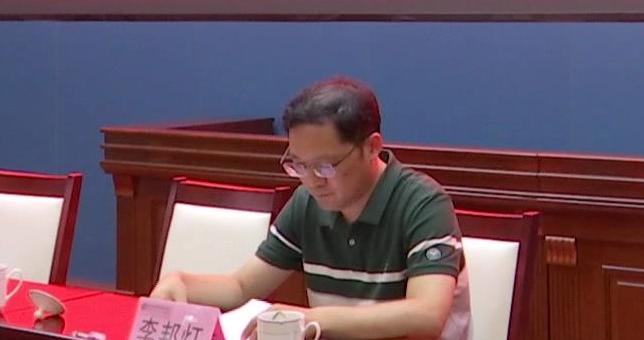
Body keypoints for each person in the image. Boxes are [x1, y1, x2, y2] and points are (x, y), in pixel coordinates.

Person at [151, 76, 471, 339]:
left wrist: (312, 318)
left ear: (372, 147)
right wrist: (182, 283)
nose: (313, 181)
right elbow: (241, 286)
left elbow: (427, 315)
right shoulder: (308, 202)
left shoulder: (422, 204)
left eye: (325, 166)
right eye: (300, 166)